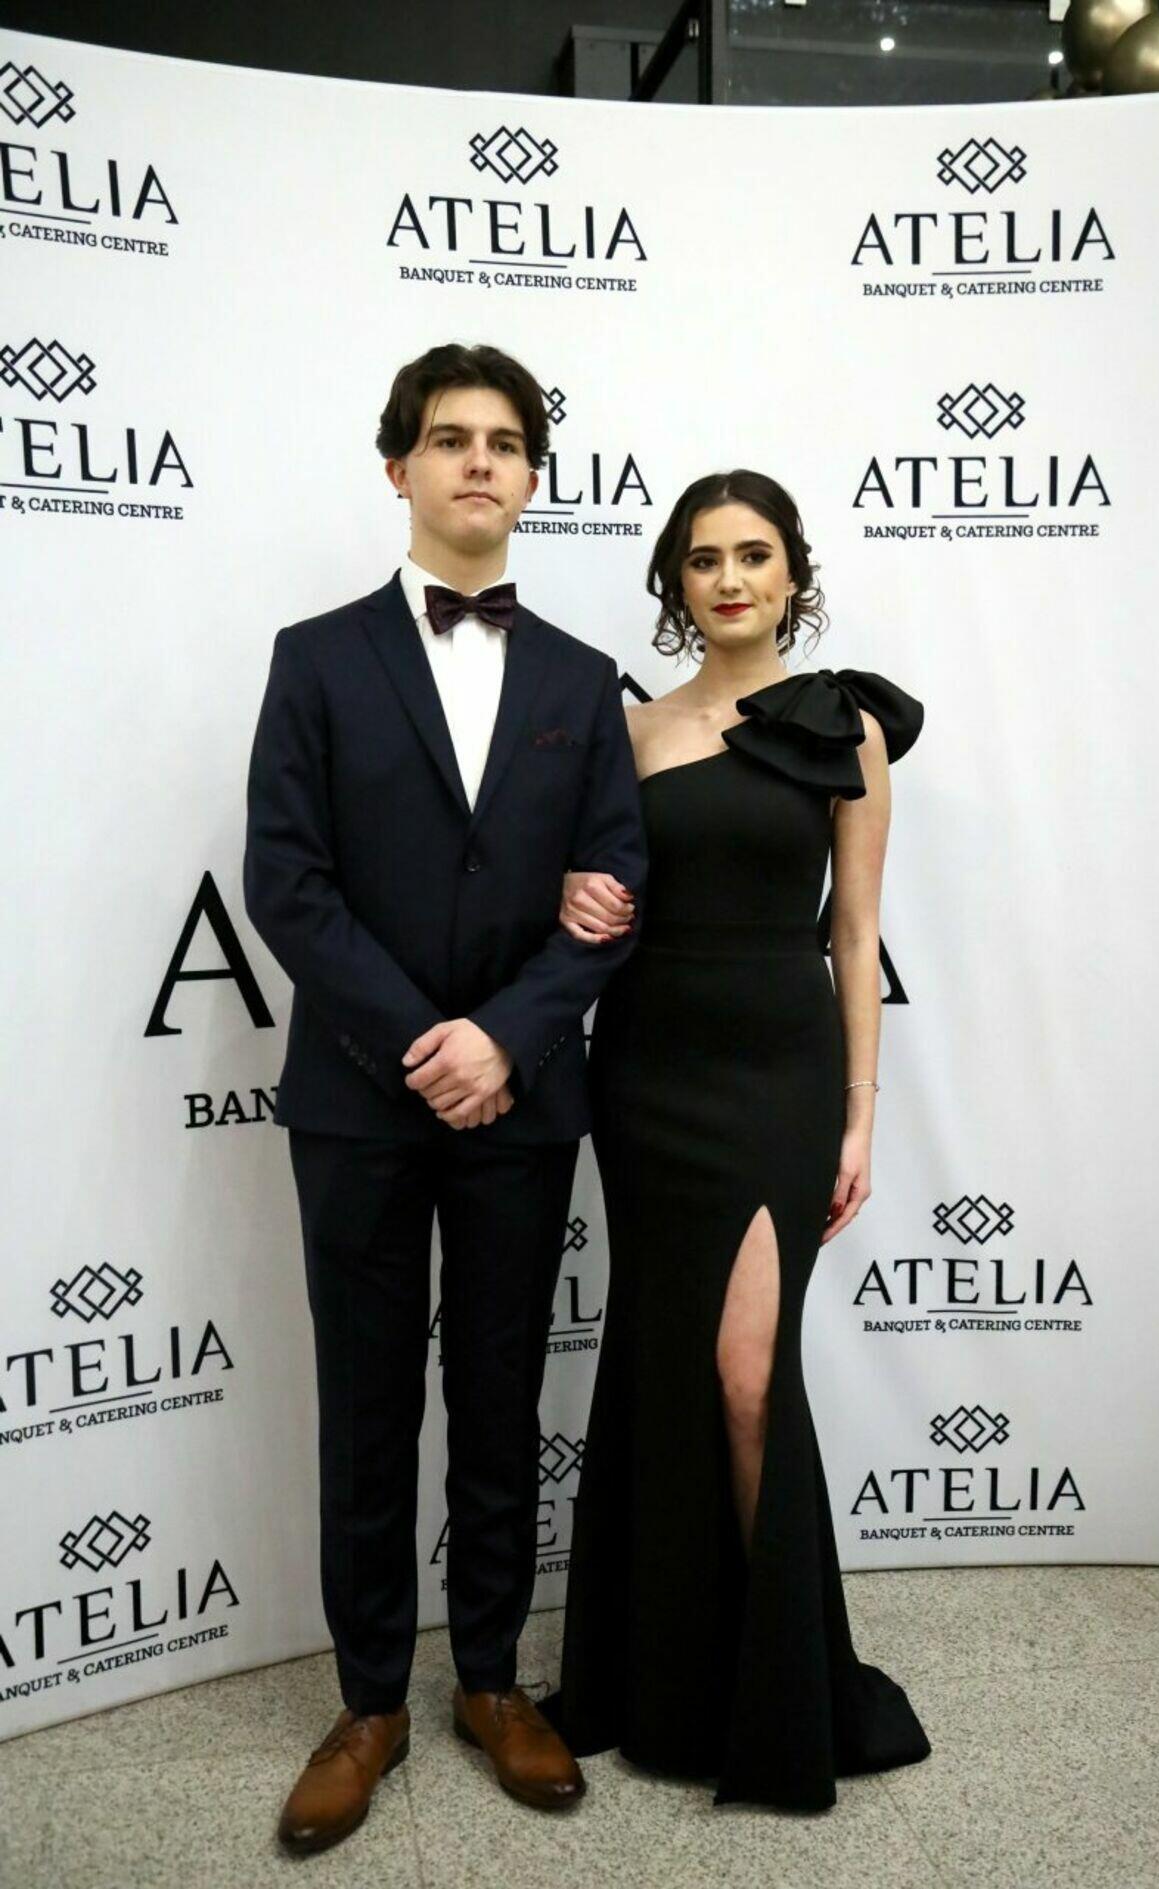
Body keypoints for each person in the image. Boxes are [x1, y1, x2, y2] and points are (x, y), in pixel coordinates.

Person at [243, 342, 647, 1852]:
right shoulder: (314, 658)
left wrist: (510, 1040)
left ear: (532, 474)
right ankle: (368, 1702)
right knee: (366, 1406)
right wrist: (433, 1042)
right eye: (449, 436)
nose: (480, 460)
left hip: (522, 1106)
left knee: (498, 1397)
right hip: (359, 1101)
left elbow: (615, 888)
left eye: (505, 440)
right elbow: (286, 882)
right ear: (399, 465)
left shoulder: (580, 680)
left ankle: (489, 1678)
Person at [547, 469, 932, 1810]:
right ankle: (666, 1678)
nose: (729, 578)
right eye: (705, 558)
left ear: (793, 576)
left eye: (754, 554)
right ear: (675, 582)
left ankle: (781, 1692)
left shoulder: (845, 726)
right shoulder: (630, 731)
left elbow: (855, 933)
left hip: (779, 1074)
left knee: (748, 1373)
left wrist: (861, 1112)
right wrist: (576, 896)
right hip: (647, 1068)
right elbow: (590, 901)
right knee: (665, 1366)